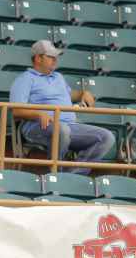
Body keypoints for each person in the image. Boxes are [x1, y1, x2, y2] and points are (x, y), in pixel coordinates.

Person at [10, 40, 116, 176]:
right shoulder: (25, 79)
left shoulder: (58, 77)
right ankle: (56, 174)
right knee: (62, 129)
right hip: (38, 126)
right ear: (38, 58)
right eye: (51, 57)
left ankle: (73, 175)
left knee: (107, 137)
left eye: (56, 57)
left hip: (69, 126)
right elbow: (17, 111)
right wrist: (39, 114)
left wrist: (83, 93)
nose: (55, 61)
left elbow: (70, 94)